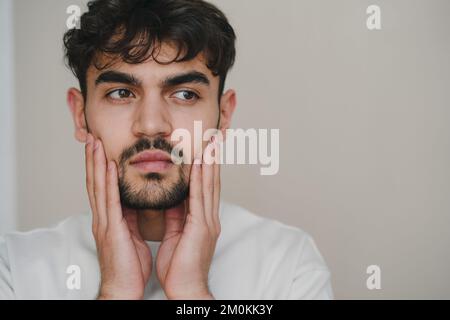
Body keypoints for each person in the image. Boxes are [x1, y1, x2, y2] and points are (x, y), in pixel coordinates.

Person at [0, 0, 333, 299]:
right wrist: (116, 291)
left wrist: (192, 293)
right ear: (80, 115)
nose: (151, 124)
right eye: (120, 93)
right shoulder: (15, 268)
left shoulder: (289, 264)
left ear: (224, 115)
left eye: (185, 94)